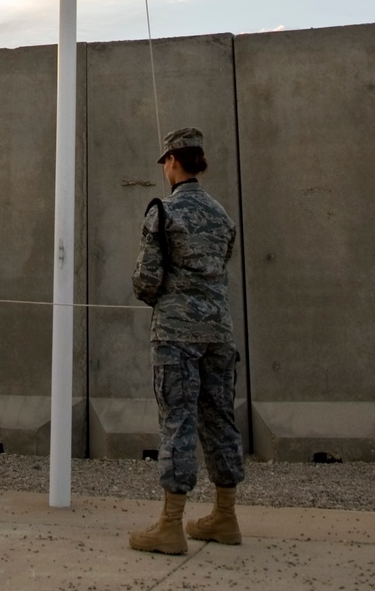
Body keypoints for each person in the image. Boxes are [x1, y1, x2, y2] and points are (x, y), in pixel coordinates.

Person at [128, 126, 244, 556]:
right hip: (219, 333)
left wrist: (156, 294)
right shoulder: (220, 215)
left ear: (172, 161)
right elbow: (222, 262)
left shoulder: (164, 212)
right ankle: (225, 516)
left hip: (176, 335)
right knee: (220, 420)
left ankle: (171, 524)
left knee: (177, 421)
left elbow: (146, 279)